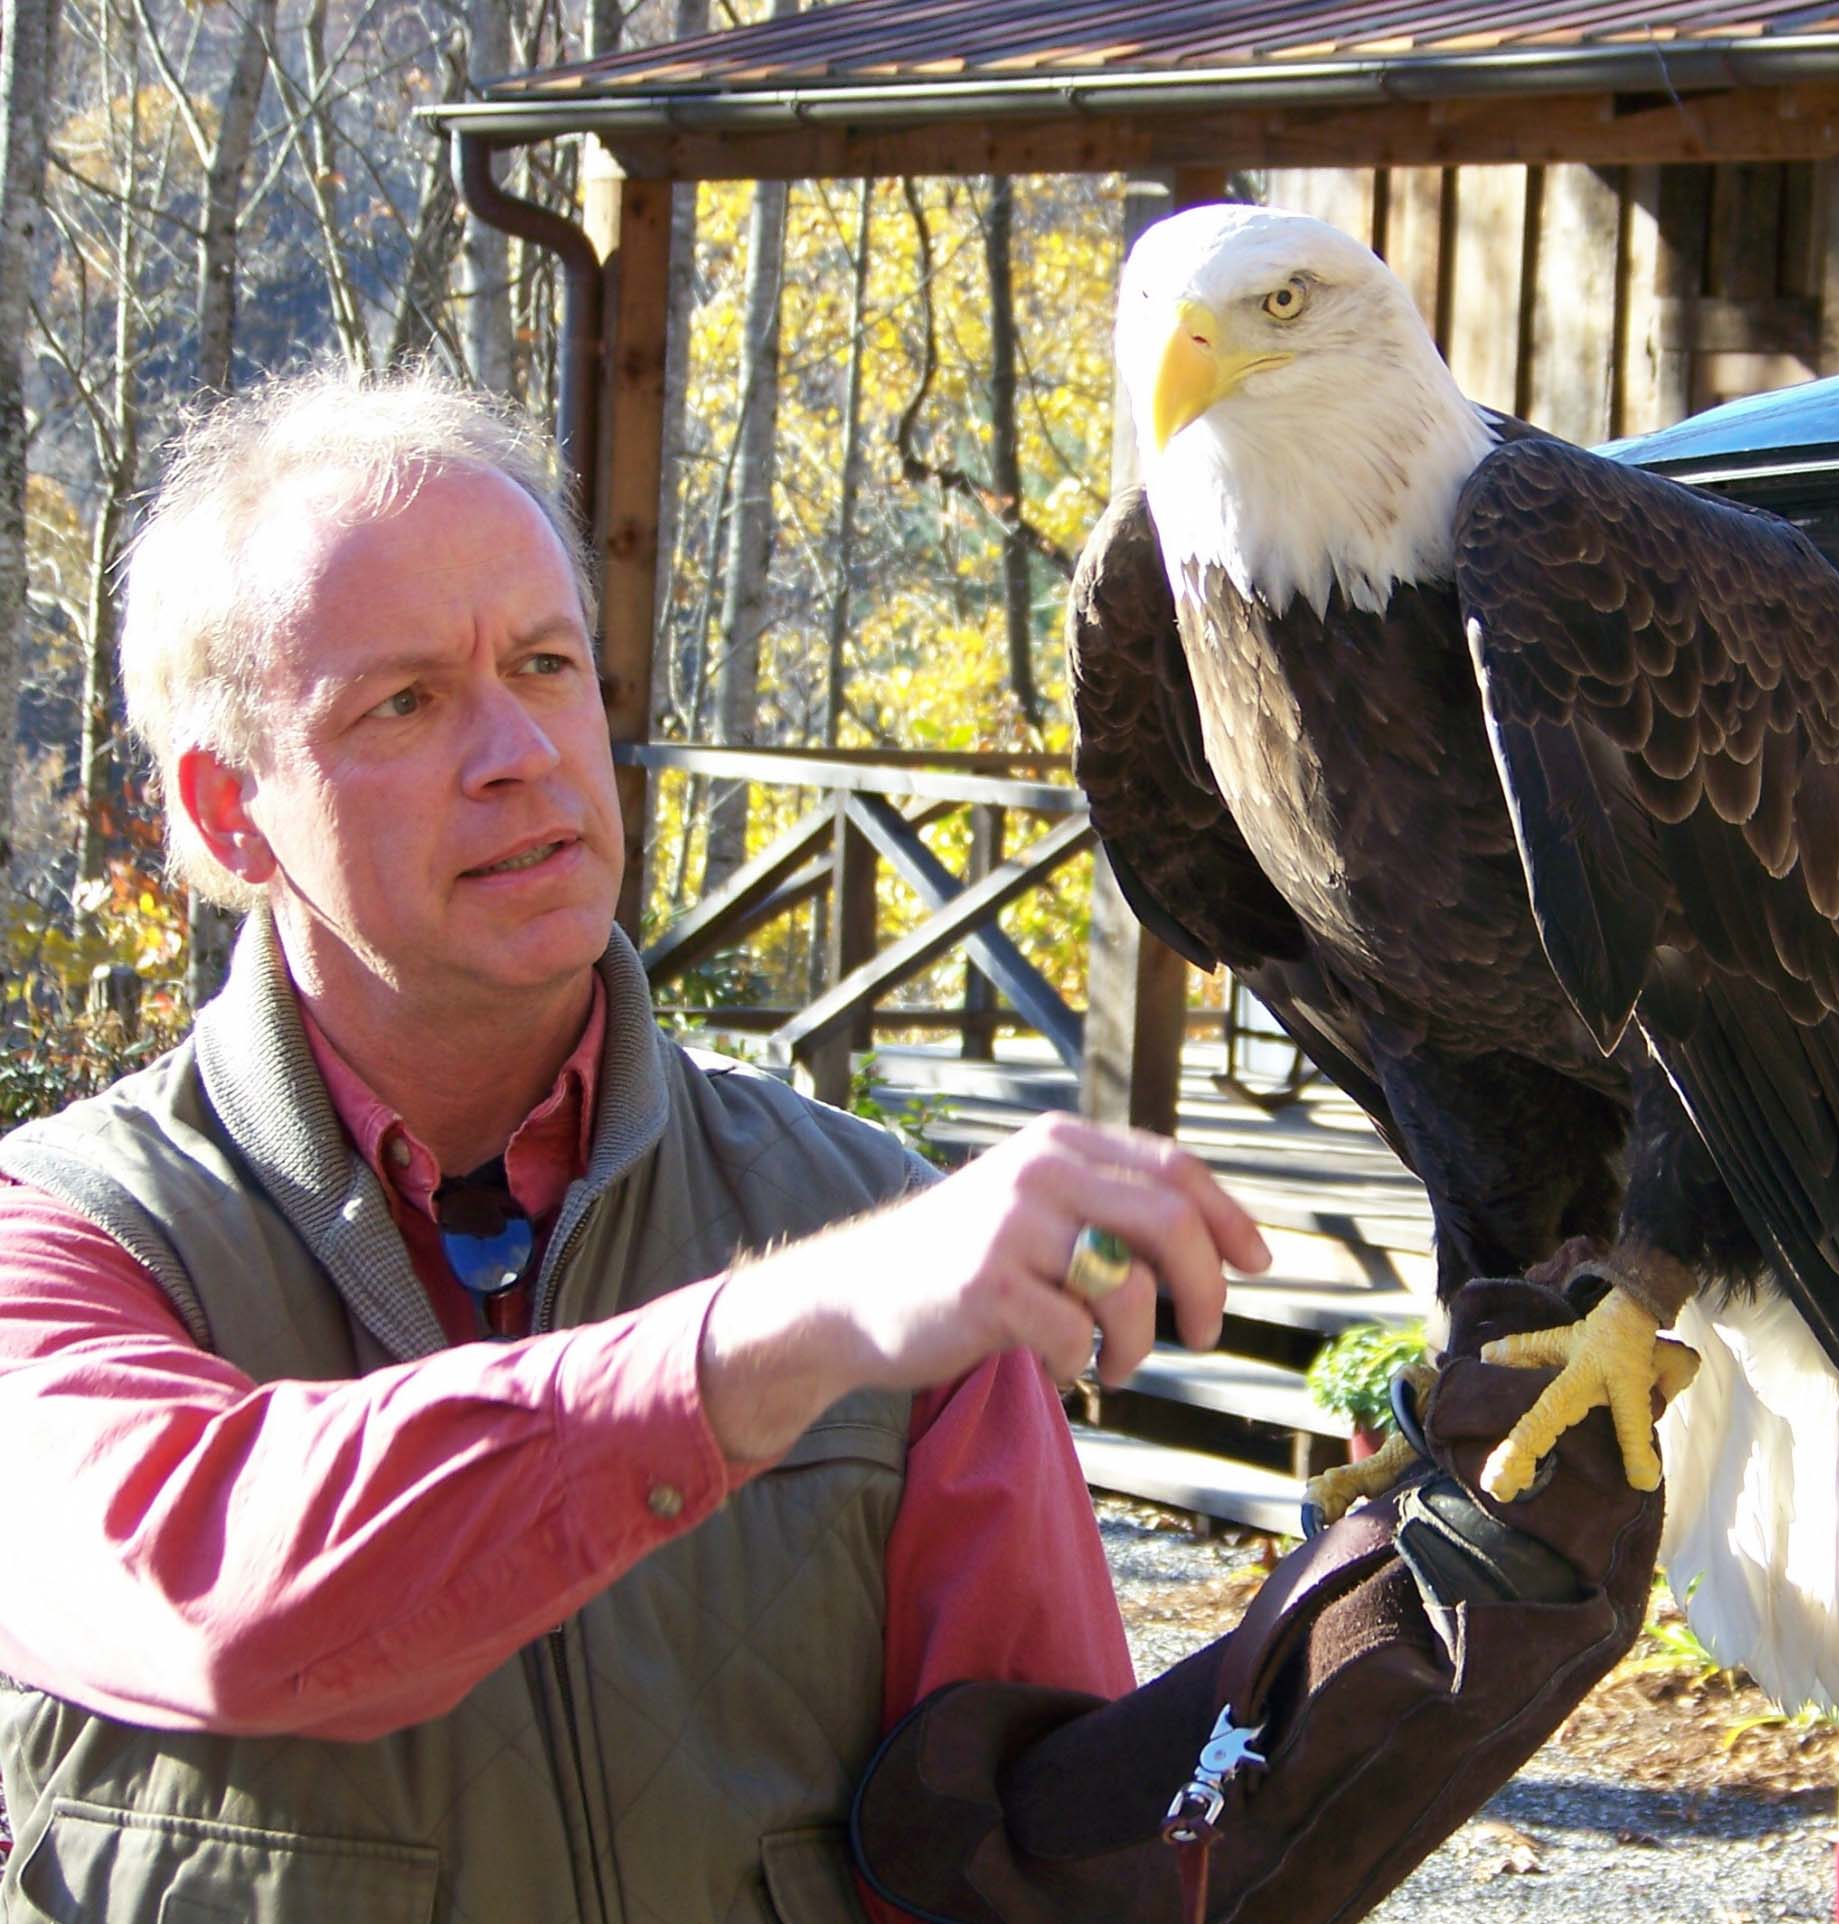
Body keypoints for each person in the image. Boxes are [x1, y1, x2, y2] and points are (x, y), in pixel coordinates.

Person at [0, 365, 1268, 1924]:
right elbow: (212, 1589)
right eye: (404, 701)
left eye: (544, 663)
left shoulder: (869, 1220)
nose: (520, 750)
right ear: (230, 812)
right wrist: (772, 1338)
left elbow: (1038, 1866)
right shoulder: (66, 1236)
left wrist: (1351, 1683)